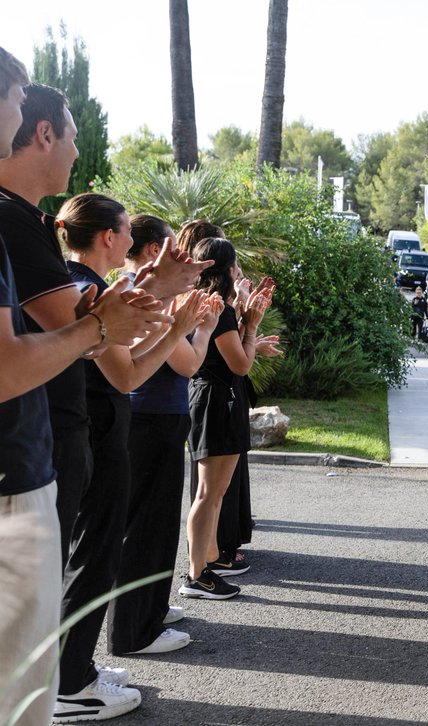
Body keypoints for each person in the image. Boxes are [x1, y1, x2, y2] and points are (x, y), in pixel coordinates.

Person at [1, 84, 206, 723]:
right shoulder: (11, 218)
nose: (77, 145)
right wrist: (159, 312)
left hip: (49, 443)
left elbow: (101, 321)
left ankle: (73, 674)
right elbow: (97, 335)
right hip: (38, 451)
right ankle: (72, 682)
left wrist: (154, 295)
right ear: (42, 134)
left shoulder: (22, 221)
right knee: (42, 622)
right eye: (72, 132)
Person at [107, 215, 223, 658]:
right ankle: (137, 627)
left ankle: (149, 610)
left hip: (155, 418)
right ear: (155, 251)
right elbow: (188, 364)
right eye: (175, 249)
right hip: (150, 419)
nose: (184, 259)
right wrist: (204, 329)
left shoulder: (142, 289)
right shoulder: (143, 294)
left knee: (151, 526)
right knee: (145, 528)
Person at [180, 237, 273, 601]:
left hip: (217, 400)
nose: (239, 272)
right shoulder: (217, 312)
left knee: (213, 493)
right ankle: (196, 574)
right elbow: (241, 364)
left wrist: (246, 316)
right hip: (216, 401)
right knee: (208, 494)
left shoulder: (214, 306)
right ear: (226, 269)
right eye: (236, 266)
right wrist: (251, 326)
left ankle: (209, 561)